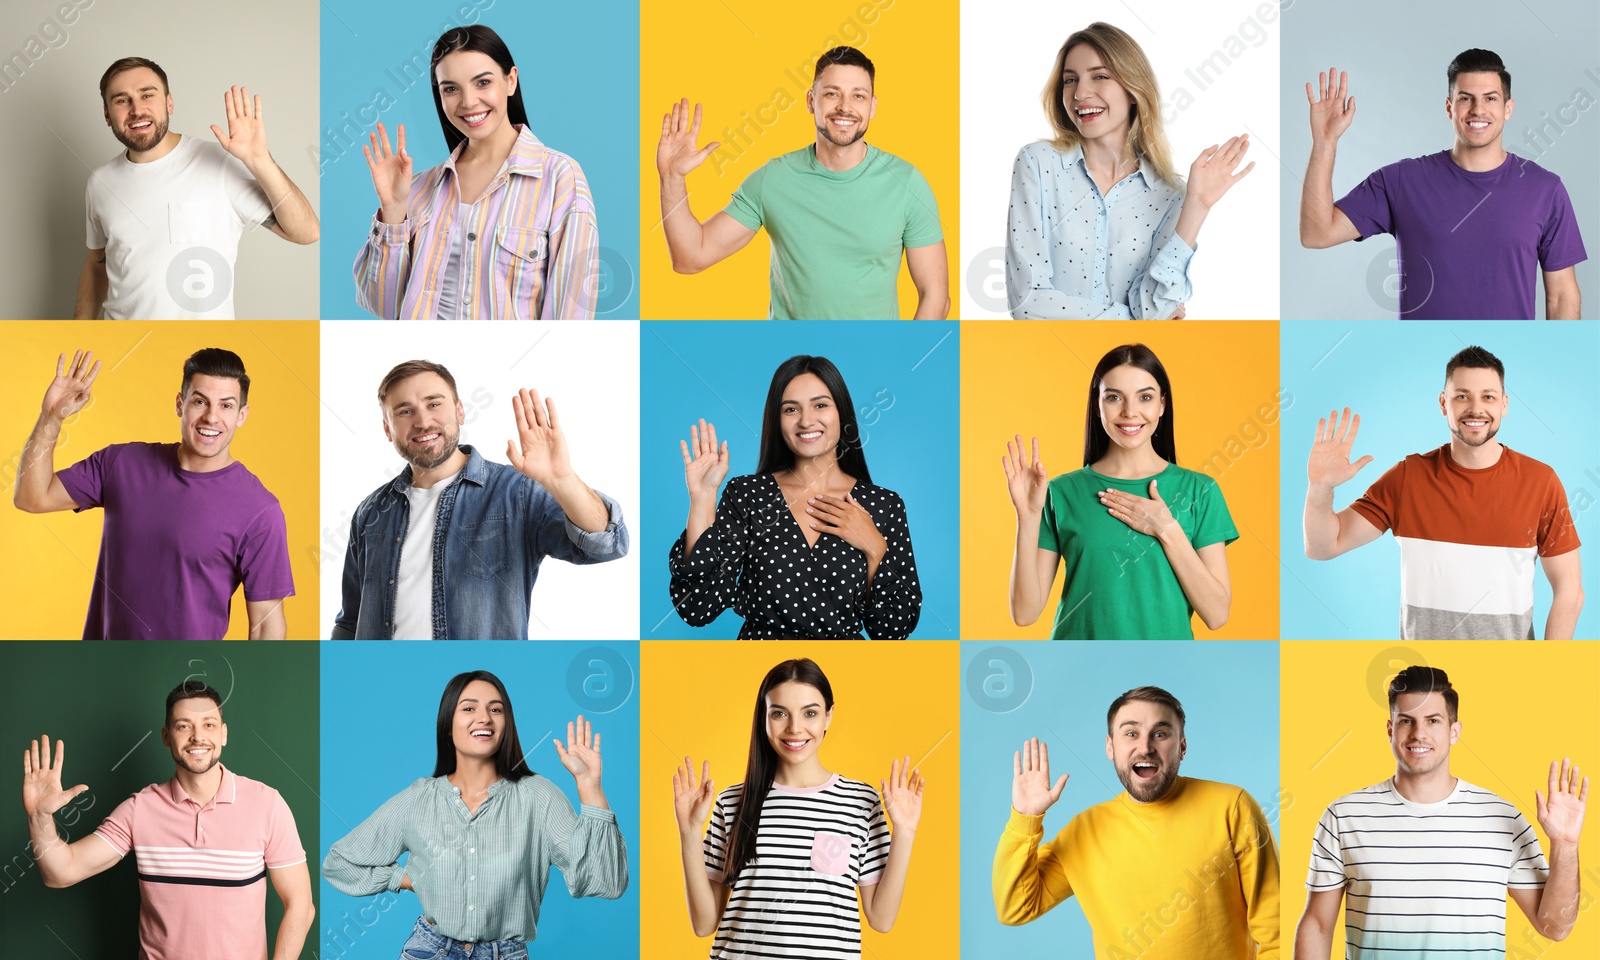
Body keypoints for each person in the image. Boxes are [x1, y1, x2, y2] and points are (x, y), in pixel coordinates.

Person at [323, 670, 627, 956]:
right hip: (430, 952)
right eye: (469, 708)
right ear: (448, 723)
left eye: (496, 710)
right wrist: (403, 878)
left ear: (507, 723)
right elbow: (339, 862)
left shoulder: (538, 796)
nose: (484, 717)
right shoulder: (418, 800)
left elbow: (605, 882)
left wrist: (590, 786)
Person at [1294, 666, 1585, 956]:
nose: (1418, 734)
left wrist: (1566, 845)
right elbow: (1318, 925)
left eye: (1433, 720)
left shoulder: (1504, 818)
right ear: (1390, 730)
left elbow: (1555, 927)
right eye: (1406, 721)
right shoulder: (1343, 816)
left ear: (1454, 731)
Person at [332, 359, 628, 639]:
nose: (422, 421)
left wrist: (563, 481)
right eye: (405, 411)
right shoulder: (371, 512)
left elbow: (606, 545)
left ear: (460, 410)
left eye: (434, 404)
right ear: (388, 428)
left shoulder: (516, 491)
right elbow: (350, 622)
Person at [1303, 345, 1582, 639]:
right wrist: (1320, 488)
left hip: (1510, 676)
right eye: (1462, 396)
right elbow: (1323, 546)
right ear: (1443, 403)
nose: (1476, 408)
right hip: (1425, 676)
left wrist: (1550, 670)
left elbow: (1570, 591)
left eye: (1488, 396)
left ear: (1504, 404)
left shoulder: (1541, 481)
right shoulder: (1407, 478)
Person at [13, 348, 293, 640]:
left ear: (241, 415)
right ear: (179, 404)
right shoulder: (120, 463)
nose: (211, 417)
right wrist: (51, 418)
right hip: (100, 673)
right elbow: (32, 498)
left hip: (187, 680)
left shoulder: (260, 510)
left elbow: (265, 626)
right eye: (200, 401)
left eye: (226, 406)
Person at [22, 681, 314, 960]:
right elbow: (61, 873)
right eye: (183, 726)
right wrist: (39, 816)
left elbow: (301, 905)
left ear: (223, 734)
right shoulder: (140, 809)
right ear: (166, 736)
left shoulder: (267, 804)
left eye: (208, 725)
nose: (197, 736)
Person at [656, 45, 948, 320]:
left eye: (858, 95)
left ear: (872, 106)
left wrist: (899, 354)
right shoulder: (773, 179)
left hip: (871, 355)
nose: (845, 107)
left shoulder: (907, 183)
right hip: (789, 354)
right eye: (832, 94)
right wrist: (672, 177)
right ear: (811, 101)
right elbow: (690, 257)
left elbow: (935, 295)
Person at [993, 685, 1279, 958]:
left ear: (1182, 747)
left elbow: (1275, 927)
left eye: (1161, 734)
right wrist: (1026, 818)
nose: (1145, 747)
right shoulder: (1083, 831)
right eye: (1131, 733)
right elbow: (1015, 908)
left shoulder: (1232, 807)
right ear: (1110, 747)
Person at [1298, 50, 1585, 320]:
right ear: (1449, 108)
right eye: (1465, 98)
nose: (1477, 110)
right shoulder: (1402, 182)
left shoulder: (1546, 190)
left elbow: (1561, 297)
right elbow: (1316, 234)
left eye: (1490, 98)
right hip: (1422, 358)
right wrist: (1325, 143)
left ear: (1508, 108)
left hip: (1508, 359)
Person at [673, 658, 923, 958]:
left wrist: (905, 833)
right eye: (779, 713)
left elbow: (881, 920)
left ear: (829, 717)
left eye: (810, 713)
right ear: (763, 718)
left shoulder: (861, 801)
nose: (795, 728)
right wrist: (689, 833)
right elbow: (704, 924)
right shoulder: (731, 802)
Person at [1007, 23, 1254, 320]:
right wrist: (1134, 319)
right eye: (1070, 80)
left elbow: (1154, 306)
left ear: (1133, 91)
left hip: (1132, 361)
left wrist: (1197, 207)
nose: (1080, 93)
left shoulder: (1169, 194)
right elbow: (1027, 302)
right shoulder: (1037, 164)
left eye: (1100, 76)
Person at [355, 25, 599, 320]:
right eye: (451, 89)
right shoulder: (419, 188)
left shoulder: (559, 177)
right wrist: (393, 212)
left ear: (511, 81)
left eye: (482, 82)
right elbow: (385, 307)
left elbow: (570, 319)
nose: (468, 101)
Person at [670, 355, 921, 638]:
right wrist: (702, 498)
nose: (806, 420)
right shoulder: (748, 495)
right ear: (777, 420)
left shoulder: (884, 505)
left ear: (842, 413)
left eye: (821, 405)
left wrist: (875, 549)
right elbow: (696, 607)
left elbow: (894, 629)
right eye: (791, 409)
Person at [1005, 343, 1236, 639]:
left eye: (1145, 397)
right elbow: (1025, 614)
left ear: (1162, 405)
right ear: (1098, 404)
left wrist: (1166, 528)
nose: (1130, 412)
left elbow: (1217, 615)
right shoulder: (1059, 492)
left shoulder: (1200, 491)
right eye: (1114, 397)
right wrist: (1027, 517)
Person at [79, 57, 319, 319]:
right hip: (122, 349)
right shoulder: (100, 182)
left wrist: (260, 160)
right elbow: (97, 265)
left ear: (169, 102)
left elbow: (306, 232)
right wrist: (80, 334)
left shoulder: (220, 163)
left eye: (147, 95)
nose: (137, 109)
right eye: (122, 100)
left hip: (201, 352)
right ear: (107, 114)